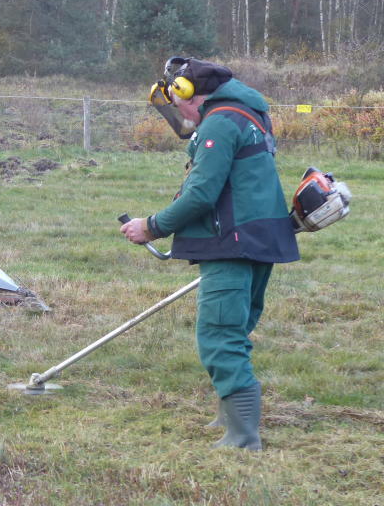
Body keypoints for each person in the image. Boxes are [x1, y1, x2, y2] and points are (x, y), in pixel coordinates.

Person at [120, 57, 299, 451]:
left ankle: (242, 437)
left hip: (232, 243)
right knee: (235, 328)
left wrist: (150, 225)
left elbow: (201, 194)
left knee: (219, 334)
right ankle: (230, 415)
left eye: (175, 98)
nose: (177, 110)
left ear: (188, 93)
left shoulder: (219, 122)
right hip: (259, 237)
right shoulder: (249, 115)